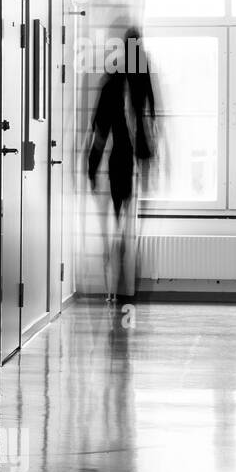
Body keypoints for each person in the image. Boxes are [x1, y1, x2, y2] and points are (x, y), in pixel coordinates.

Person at [86, 25, 158, 310]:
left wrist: (92, 166)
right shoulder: (128, 82)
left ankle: (120, 286)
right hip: (126, 162)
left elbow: (103, 130)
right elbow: (108, 128)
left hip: (125, 161)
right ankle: (120, 287)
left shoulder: (119, 82)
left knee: (122, 226)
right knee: (123, 226)